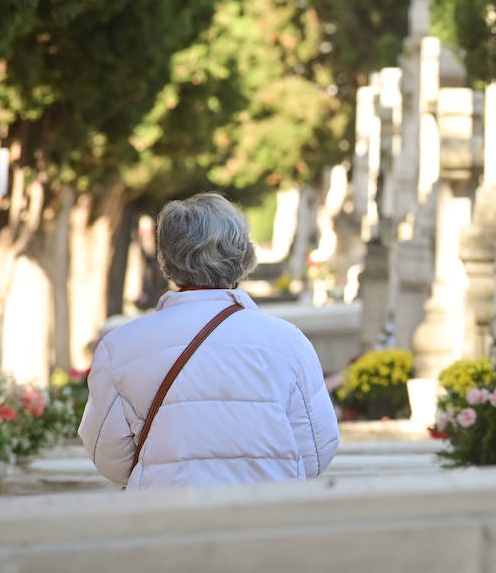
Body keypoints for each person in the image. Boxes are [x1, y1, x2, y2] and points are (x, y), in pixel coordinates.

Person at [79, 193, 340, 489]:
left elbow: (107, 455)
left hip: (163, 519)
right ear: (243, 256)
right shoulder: (289, 343)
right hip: (266, 517)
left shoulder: (120, 347)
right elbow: (317, 450)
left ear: (166, 258)